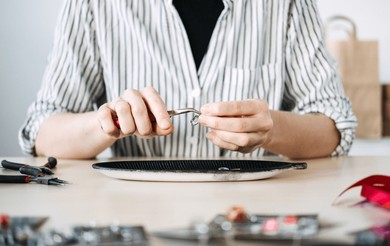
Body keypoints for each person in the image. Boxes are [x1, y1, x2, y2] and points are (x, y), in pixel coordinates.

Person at [19, 0, 356, 160]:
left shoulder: (285, 5)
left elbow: (335, 130)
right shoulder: (95, 5)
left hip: (257, 215)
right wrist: (108, 123)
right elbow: (42, 134)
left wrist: (271, 129)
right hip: (132, 218)